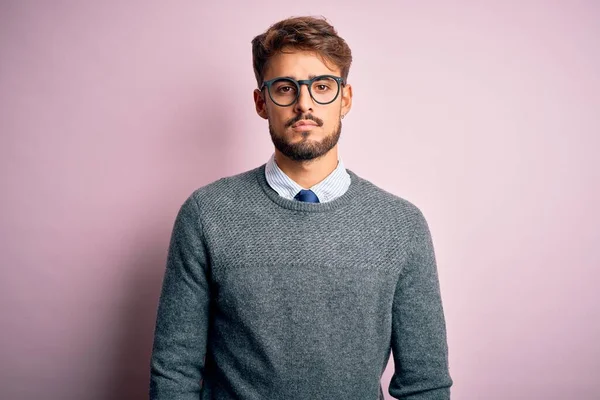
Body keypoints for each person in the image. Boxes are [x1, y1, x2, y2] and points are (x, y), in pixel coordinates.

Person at [149, 15, 452, 400]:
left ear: (345, 99)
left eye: (322, 86)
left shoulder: (401, 225)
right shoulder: (206, 214)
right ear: (262, 102)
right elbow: (173, 373)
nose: (304, 104)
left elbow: (426, 384)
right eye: (286, 88)